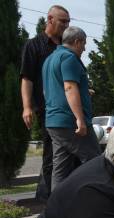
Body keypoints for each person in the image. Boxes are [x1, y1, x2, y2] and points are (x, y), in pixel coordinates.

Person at [20, 5, 71, 201]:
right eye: (63, 21)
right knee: (52, 154)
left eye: (68, 21)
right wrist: (27, 106)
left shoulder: (65, 45)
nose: (66, 25)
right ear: (50, 20)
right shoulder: (34, 45)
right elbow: (27, 78)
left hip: (69, 109)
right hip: (47, 109)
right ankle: (46, 198)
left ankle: (59, 195)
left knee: (65, 155)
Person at [42, 26, 100, 191]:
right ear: (77, 41)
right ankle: (95, 202)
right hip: (70, 122)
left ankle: (56, 210)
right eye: (84, 44)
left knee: (61, 168)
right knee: (95, 162)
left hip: (54, 121)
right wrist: (80, 119)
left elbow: (51, 89)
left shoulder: (50, 59)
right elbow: (69, 87)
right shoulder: (69, 58)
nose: (84, 48)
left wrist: (84, 91)